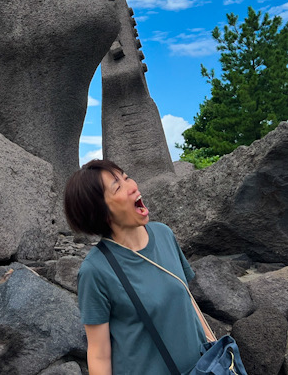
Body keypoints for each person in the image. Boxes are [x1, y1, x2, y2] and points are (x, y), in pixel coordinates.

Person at [65, 159, 207, 374]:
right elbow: (98, 352)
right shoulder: (95, 270)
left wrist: (214, 347)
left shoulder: (164, 234)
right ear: (102, 212)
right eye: (118, 186)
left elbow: (186, 299)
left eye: (126, 176)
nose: (133, 186)